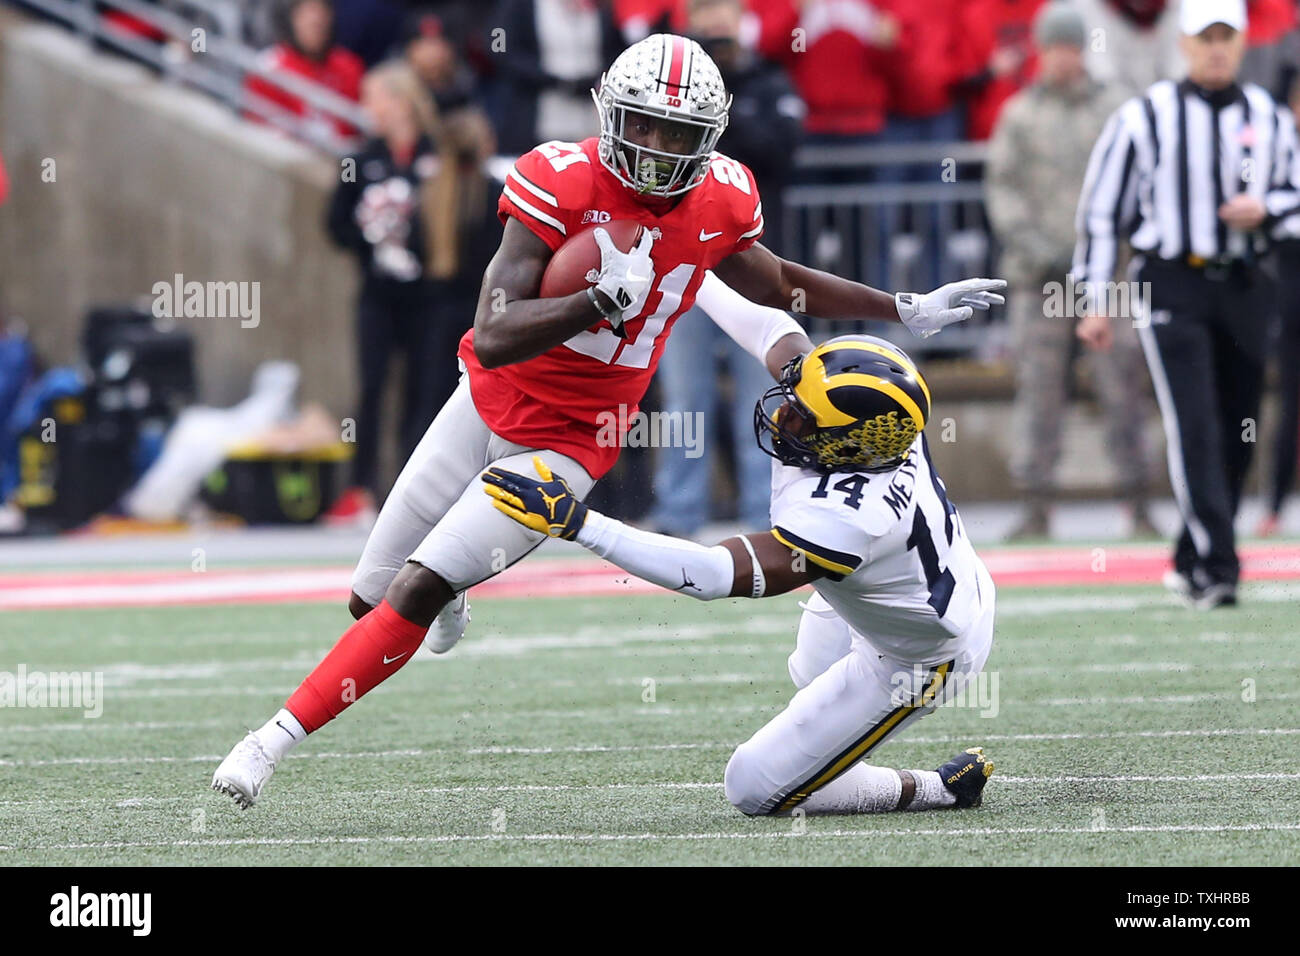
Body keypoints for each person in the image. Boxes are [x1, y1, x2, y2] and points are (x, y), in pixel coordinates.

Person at [212, 33, 1004, 808]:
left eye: (678, 134)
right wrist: (595, 302)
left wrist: (894, 306)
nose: (657, 149)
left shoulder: (719, 200)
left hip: (572, 439)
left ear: (709, 140)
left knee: (414, 588)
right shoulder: (557, 178)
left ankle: (268, 743)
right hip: (487, 393)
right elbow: (493, 328)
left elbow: (774, 283)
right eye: (644, 125)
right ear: (608, 113)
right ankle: (455, 586)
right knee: (371, 600)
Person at [483, 336, 997, 816]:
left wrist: (580, 524)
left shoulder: (849, 520)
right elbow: (766, 326)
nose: (783, 415)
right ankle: (831, 757)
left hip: (921, 656)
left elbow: (712, 573)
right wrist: (694, 264)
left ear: (847, 445)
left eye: (801, 416)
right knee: (810, 679)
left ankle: (938, 788)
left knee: (753, 787)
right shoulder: (873, 426)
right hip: (889, 593)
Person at [1074, 0, 1299, 608]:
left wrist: (1269, 211)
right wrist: (1094, 300)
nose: (1217, 48)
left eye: (1227, 36)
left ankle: (1193, 554)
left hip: (1248, 280)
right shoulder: (1143, 117)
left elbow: (1296, 198)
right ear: (1185, 44)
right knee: (1193, 423)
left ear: (1244, 43)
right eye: (1206, 37)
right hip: (1172, 281)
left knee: (1240, 425)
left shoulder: (1271, 117)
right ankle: (1221, 569)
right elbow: (1101, 215)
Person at [986, 3, 1154, 538]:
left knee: (1123, 382)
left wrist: (1112, 247)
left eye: (1070, 47)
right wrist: (1039, 249)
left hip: (1108, 279)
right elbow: (1003, 192)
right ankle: (1036, 502)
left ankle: (1139, 498)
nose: (1062, 57)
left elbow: (1140, 180)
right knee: (1038, 389)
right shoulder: (1019, 114)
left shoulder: (1115, 109)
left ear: (1082, 49)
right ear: (1041, 50)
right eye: (1053, 47)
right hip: (1041, 279)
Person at [649, 0, 805, 536]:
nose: (715, 24)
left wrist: (722, 106)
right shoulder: (667, 94)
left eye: (722, 11)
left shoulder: (767, 79)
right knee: (684, 396)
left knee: (761, 392)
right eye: (703, 13)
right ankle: (679, 511)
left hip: (753, 260)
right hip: (685, 259)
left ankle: (767, 511)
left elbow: (780, 152)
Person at [325, 62, 495, 524]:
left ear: (400, 100)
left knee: (423, 391)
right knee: (371, 386)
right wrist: (372, 241)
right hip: (379, 294)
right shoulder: (360, 158)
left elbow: (460, 210)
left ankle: (406, 488)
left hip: (429, 298)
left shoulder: (436, 155)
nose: (368, 108)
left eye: (375, 97)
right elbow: (336, 222)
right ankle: (360, 487)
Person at [243, 0, 365, 143]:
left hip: (341, 159)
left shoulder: (349, 66)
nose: (316, 20)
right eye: (307, 12)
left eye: (322, 12)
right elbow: (257, 132)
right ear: (290, 19)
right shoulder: (269, 67)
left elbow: (357, 132)